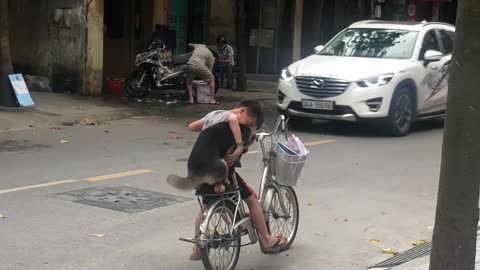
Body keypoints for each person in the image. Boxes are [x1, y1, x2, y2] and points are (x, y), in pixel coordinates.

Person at [187, 100, 287, 260]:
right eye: (251, 123)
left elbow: (192, 127)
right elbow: (242, 143)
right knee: (252, 199)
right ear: (242, 111)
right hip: (216, 169)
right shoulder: (238, 126)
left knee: (206, 205)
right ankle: (267, 240)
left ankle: (197, 249)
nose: (249, 127)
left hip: (195, 167)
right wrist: (242, 143)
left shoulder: (214, 116)